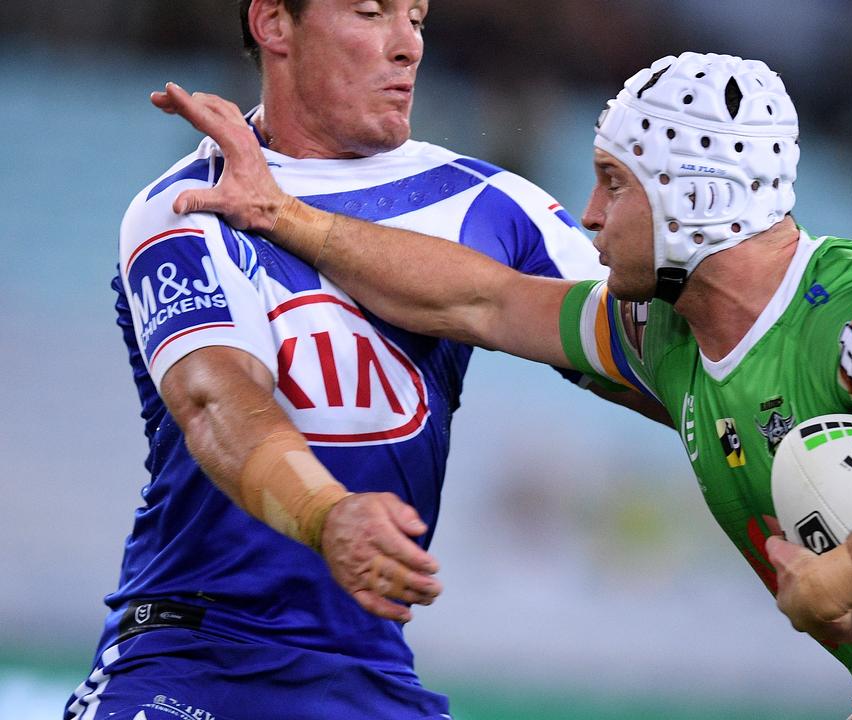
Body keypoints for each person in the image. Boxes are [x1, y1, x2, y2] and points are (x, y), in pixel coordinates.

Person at [153, 52, 852, 719]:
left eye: (611, 183)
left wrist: (843, 574)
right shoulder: (667, 334)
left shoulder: (844, 303)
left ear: (691, 199)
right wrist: (288, 218)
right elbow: (482, 303)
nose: (588, 217)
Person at [64, 1, 659, 718]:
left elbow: (662, 372)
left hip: (368, 671)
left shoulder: (494, 207)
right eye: (373, 12)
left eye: (418, 17)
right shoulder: (188, 206)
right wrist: (326, 514)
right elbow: (216, 401)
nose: (408, 46)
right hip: (192, 656)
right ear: (274, 23)